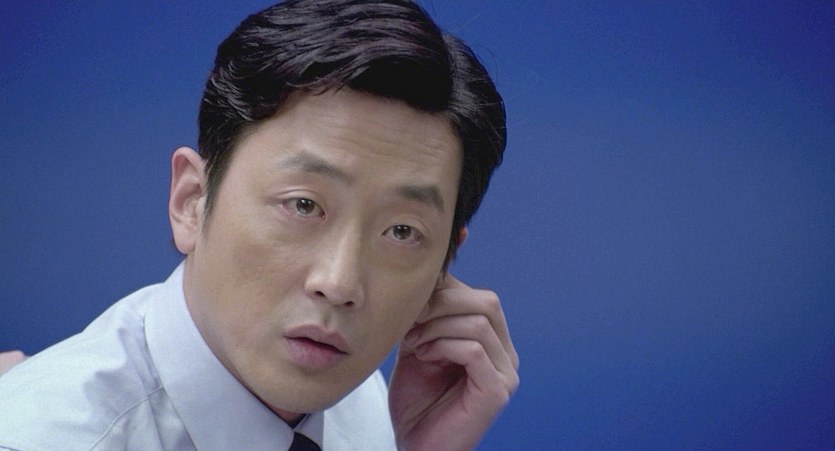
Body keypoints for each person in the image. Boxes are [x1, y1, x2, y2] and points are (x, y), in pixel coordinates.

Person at [0, 0, 519, 449]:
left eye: (401, 232)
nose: (339, 284)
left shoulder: (363, 408)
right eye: (303, 205)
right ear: (191, 201)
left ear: (443, 268)